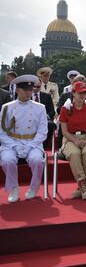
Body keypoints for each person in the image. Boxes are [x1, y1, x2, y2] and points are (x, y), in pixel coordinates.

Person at [0, 75, 48, 203]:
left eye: (30, 90)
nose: (28, 92)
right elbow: (2, 132)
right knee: (7, 160)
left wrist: (31, 146)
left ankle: (33, 188)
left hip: (32, 142)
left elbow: (43, 131)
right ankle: (14, 188)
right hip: (12, 142)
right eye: (25, 90)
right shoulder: (7, 107)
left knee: (37, 160)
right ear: (17, 90)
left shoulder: (40, 107)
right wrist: (14, 146)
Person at [58, 81, 86, 200]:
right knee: (74, 153)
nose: (82, 95)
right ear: (73, 93)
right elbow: (64, 131)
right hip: (70, 138)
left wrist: (85, 141)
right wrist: (75, 141)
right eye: (80, 92)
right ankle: (83, 184)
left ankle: (82, 187)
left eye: (85, 92)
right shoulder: (65, 109)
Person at [32, 78, 56, 150]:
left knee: (51, 125)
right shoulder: (27, 96)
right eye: (34, 86)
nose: (36, 88)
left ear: (41, 86)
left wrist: (46, 116)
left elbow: (52, 111)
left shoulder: (47, 96)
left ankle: (43, 146)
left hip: (44, 119)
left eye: (38, 87)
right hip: (29, 119)